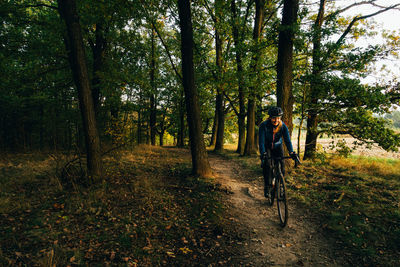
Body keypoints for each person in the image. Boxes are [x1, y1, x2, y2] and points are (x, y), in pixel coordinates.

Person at [258, 106, 296, 198]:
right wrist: (263, 153)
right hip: (267, 147)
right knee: (267, 165)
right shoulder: (264, 125)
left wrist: (291, 152)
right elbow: (261, 142)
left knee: (282, 166)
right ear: (270, 117)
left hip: (278, 146)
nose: (276, 120)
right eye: (274, 118)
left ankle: (281, 187)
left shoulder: (283, 126)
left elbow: (287, 140)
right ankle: (267, 187)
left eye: (278, 118)